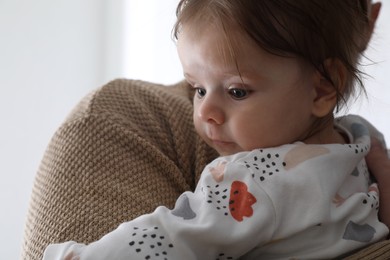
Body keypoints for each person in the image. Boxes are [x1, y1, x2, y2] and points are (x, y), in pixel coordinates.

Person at [39, 0, 390, 259]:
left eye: (237, 91)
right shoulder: (360, 137)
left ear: (322, 89)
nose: (206, 111)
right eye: (198, 88)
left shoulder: (253, 180)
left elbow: (171, 238)